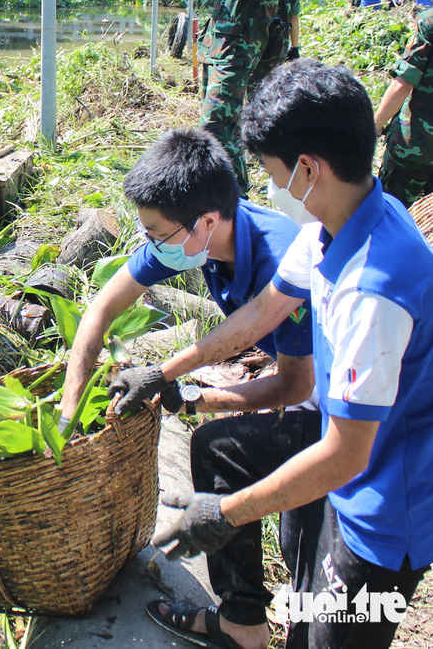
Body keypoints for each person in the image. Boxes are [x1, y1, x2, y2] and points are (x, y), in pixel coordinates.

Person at [118, 60, 433, 649]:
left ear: (309, 168)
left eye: (271, 171)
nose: (271, 187)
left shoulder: (375, 288)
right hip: (344, 446)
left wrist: (226, 513)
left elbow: (344, 456)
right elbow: (260, 313)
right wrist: (165, 374)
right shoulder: (332, 228)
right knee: (248, 487)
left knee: (327, 637)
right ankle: (244, 623)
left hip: (383, 503)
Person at [57, 127, 313, 433]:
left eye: (160, 235)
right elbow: (102, 309)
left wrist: (189, 399)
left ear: (207, 221)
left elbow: (297, 386)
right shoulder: (195, 234)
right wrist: (68, 408)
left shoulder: (280, 262)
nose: (153, 244)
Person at [189, 0, 287, 192]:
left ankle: (234, 200)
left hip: (239, 49)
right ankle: (237, 194)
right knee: (227, 129)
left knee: (215, 126)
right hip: (219, 45)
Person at [375, 7, 433, 207]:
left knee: (389, 216)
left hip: (413, 147)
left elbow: (405, 82)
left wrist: (374, 126)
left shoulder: (429, 21)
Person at [249, 0, 302, 96]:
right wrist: (294, 48)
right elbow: (293, 16)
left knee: (249, 92)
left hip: (250, 41)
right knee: (271, 92)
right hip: (277, 43)